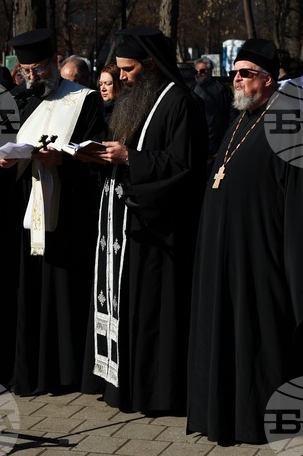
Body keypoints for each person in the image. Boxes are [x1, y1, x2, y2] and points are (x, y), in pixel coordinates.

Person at [187, 38, 303, 445]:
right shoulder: (242, 118)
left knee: (255, 343)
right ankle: (222, 415)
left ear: (268, 79)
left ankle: (258, 420)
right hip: (225, 258)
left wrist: (295, 275)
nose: (236, 81)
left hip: (261, 263)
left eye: (245, 74)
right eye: (234, 73)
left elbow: (300, 208)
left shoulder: (289, 123)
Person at [81, 27, 206, 414]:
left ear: (150, 66)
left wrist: (129, 160)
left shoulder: (180, 103)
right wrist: (97, 157)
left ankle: (153, 391)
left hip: (157, 230)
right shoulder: (135, 100)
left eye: (128, 69)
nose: (121, 77)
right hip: (124, 227)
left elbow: (185, 167)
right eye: (119, 70)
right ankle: (121, 384)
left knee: (153, 312)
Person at [0, 28, 105, 396]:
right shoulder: (19, 101)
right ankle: (26, 369)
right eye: (27, 70)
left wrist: (62, 161)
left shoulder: (84, 100)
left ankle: (63, 371)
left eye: (39, 68)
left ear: (55, 62)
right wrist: (5, 162)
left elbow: (95, 158)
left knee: (60, 287)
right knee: (25, 288)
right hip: (23, 210)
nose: (33, 77)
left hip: (66, 212)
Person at [189, 57, 235, 169]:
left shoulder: (222, 90)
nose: (199, 74)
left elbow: (232, 116)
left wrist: (225, 144)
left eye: (203, 71)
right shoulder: (189, 89)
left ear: (210, 71)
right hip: (194, 143)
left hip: (214, 144)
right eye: (196, 71)